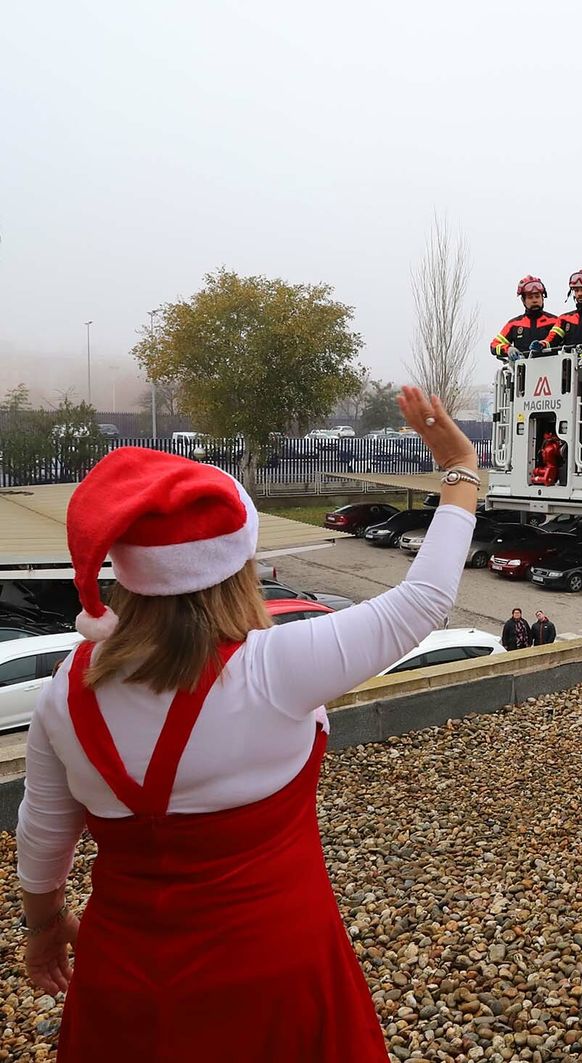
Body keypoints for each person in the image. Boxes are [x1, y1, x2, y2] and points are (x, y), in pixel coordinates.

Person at [16, 387, 479, 1061]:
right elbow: (426, 598)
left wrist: (43, 928)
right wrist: (461, 471)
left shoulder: (66, 689)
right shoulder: (276, 667)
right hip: (278, 975)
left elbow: (42, 832)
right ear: (237, 565)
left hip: (126, 976)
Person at [489, 276, 560, 360]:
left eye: (537, 296)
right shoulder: (514, 324)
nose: (534, 300)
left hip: (553, 369)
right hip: (523, 370)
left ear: (542, 298)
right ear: (523, 300)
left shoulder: (555, 321)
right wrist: (508, 349)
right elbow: (494, 345)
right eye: (530, 297)